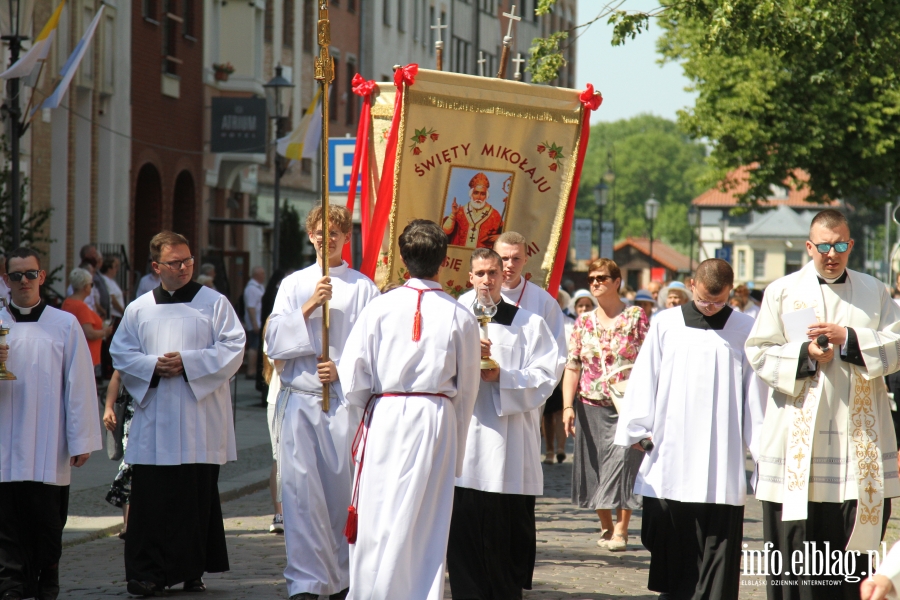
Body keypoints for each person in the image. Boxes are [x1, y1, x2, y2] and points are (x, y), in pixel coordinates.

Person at [746, 209, 900, 595]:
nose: (833, 255)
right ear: (809, 246)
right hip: (798, 442)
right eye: (825, 247)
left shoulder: (875, 291)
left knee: (851, 556)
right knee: (796, 552)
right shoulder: (782, 291)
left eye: (841, 246)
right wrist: (806, 355)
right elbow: (759, 352)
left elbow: (897, 346)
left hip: (857, 446)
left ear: (851, 245)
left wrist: (847, 337)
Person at [338, 220, 481, 600]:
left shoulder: (378, 308)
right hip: (436, 418)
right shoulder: (459, 315)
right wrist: (458, 445)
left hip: (385, 415)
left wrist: (367, 409)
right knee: (426, 519)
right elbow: (467, 389)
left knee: (378, 510)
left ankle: (372, 591)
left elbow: (352, 378)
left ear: (402, 258)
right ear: (444, 260)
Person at [615, 259, 768, 599]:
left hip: (721, 456)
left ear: (730, 292)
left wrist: (761, 451)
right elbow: (645, 377)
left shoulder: (745, 328)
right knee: (668, 537)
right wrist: (638, 427)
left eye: (719, 301)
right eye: (704, 300)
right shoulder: (666, 323)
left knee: (717, 543)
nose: (711, 308)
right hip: (672, 449)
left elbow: (754, 397)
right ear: (691, 284)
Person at [110, 231, 245, 597]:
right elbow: (120, 353)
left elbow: (235, 347)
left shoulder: (213, 303)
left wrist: (189, 363)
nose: (185, 267)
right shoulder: (139, 309)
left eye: (187, 260)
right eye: (175, 262)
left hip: (199, 417)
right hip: (155, 419)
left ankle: (191, 569)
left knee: (193, 495)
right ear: (157, 267)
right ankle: (146, 573)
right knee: (151, 499)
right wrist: (155, 366)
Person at [265, 206, 379, 600]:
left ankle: (342, 579)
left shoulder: (364, 288)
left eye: (335, 232)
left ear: (346, 238)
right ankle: (306, 582)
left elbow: (373, 348)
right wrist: (311, 304)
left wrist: (342, 370)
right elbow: (273, 342)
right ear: (310, 235)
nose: (326, 238)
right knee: (300, 497)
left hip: (343, 404)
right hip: (300, 401)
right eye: (319, 231)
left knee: (338, 496)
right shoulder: (294, 284)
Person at [448, 248, 564, 599]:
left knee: (505, 538)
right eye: (480, 273)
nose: (487, 280)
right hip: (465, 446)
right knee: (464, 536)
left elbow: (547, 375)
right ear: (470, 277)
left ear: (505, 276)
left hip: (509, 447)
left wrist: (503, 376)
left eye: (493, 273)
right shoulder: (453, 318)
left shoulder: (529, 323)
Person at [0, 247, 102, 600]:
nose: (24, 281)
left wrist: (82, 437)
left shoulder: (64, 324)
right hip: (4, 438)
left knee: (47, 520)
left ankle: (48, 577)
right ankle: (11, 584)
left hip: (48, 438)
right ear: (6, 280)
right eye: (16, 275)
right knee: (6, 519)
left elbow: (79, 384)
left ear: (41, 277)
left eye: (30, 274)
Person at [562, 258, 649, 552]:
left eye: (601, 278)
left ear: (616, 282)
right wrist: (567, 406)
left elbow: (650, 362)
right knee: (595, 466)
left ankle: (622, 528)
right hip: (589, 402)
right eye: (592, 278)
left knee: (624, 463)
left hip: (626, 403)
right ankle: (606, 524)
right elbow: (573, 366)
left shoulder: (636, 316)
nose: (596, 282)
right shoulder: (583, 321)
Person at [494, 231, 567, 357]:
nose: (510, 264)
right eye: (504, 258)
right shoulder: (473, 298)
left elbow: (556, 351)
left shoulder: (544, 302)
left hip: (525, 375)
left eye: (516, 258)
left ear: (525, 260)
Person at [542, 290, 575, 464]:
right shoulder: (540, 320)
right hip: (545, 369)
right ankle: (549, 450)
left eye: (558, 300)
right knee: (547, 413)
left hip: (564, 372)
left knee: (562, 411)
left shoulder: (570, 323)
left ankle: (561, 447)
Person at [103, 370, 135, 539]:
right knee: (130, 467)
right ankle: (128, 525)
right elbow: (117, 374)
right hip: (134, 414)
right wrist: (109, 407)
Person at [61, 268, 112, 375]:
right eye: (91, 285)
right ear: (85, 287)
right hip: (86, 356)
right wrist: (106, 332)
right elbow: (89, 333)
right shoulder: (81, 307)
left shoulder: (67, 302)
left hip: (74, 355)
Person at [442, 172, 504, 249]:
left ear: (486, 196)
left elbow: (505, 234)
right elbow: (446, 231)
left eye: (482, 194)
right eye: (476, 193)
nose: (479, 197)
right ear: (471, 194)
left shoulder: (494, 215)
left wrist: (500, 237)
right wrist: (453, 215)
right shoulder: (460, 211)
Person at [100, 257, 125, 379]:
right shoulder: (105, 280)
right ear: (109, 268)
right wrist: (124, 311)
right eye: (115, 266)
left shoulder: (111, 281)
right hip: (115, 316)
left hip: (118, 316)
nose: (117, 269)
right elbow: (113, 299)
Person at [243, 266, 266, 379]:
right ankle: (250, 371)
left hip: (259, 322)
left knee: (256, 346)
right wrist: (254, 324)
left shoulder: (259, 287)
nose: (264, 276)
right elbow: (251, 307)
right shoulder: (251, 288)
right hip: (255, 323)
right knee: (253, 347)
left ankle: (253, 370)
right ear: (257, 275)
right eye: (262, 274)